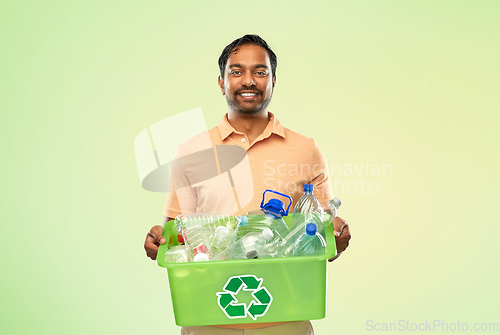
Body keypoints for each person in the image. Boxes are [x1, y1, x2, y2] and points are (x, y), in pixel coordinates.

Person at [144, 34, 351, 334]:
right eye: (236, 71)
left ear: (274, 81)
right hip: (208, 316)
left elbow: (320, 240)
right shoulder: (191, 152)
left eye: (260, 71)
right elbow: (178, 235)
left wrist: (338, 240)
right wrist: (158, 240)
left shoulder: (306, 150)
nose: (249, 81)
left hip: (286, 316)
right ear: (221, 81)